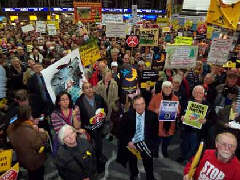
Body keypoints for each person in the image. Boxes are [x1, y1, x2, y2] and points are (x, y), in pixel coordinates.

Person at [117, 95, 158, 180]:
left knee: (148, 162)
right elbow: (121, 132)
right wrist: (128, 142)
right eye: (137, 104)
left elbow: (155, 133)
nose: (140, 107)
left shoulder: (152, 116)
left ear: (145, 104)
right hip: (132, 144)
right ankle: (134, 174)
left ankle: (149, 176)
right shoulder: (127, 116)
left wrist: (152, 145)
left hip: (146, 143)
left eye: (142, 104)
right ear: (133, 106)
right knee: (132, 161)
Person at [7, 105, 48, 180]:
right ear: (28, 115)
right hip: (34, 161)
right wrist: (40, 131)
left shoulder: (10, 127)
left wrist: (32, 124)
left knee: (31, 175)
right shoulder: (29, 131)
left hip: (23, 158)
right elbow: (39, 144)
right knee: (37, 176)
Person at [75, 82, 108, 173]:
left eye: (90, 87)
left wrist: (103, 118)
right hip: (87, 129)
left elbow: (105, 108)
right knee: (88, 148)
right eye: (86, 88)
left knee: (98, 146)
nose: (89, 89)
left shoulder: (98, 98)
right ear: (83, 90)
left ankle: (99, 163)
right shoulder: (79, 101)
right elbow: (78, 117)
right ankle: (91, 164)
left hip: (98, 128)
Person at [149, 81, 180, 158]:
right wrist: (155, 110)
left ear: (172, 88)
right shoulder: (156, 97)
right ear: (162, 88)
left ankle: (164, 151)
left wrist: (178, 111)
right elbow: (149, 108)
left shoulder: (175, 98)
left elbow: (179, 110)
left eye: (169, 87)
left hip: (170, 125)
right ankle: (155, 153)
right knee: (156, 141)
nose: (168, 89)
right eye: (166, 87)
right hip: (158, 124)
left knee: (167, 141)